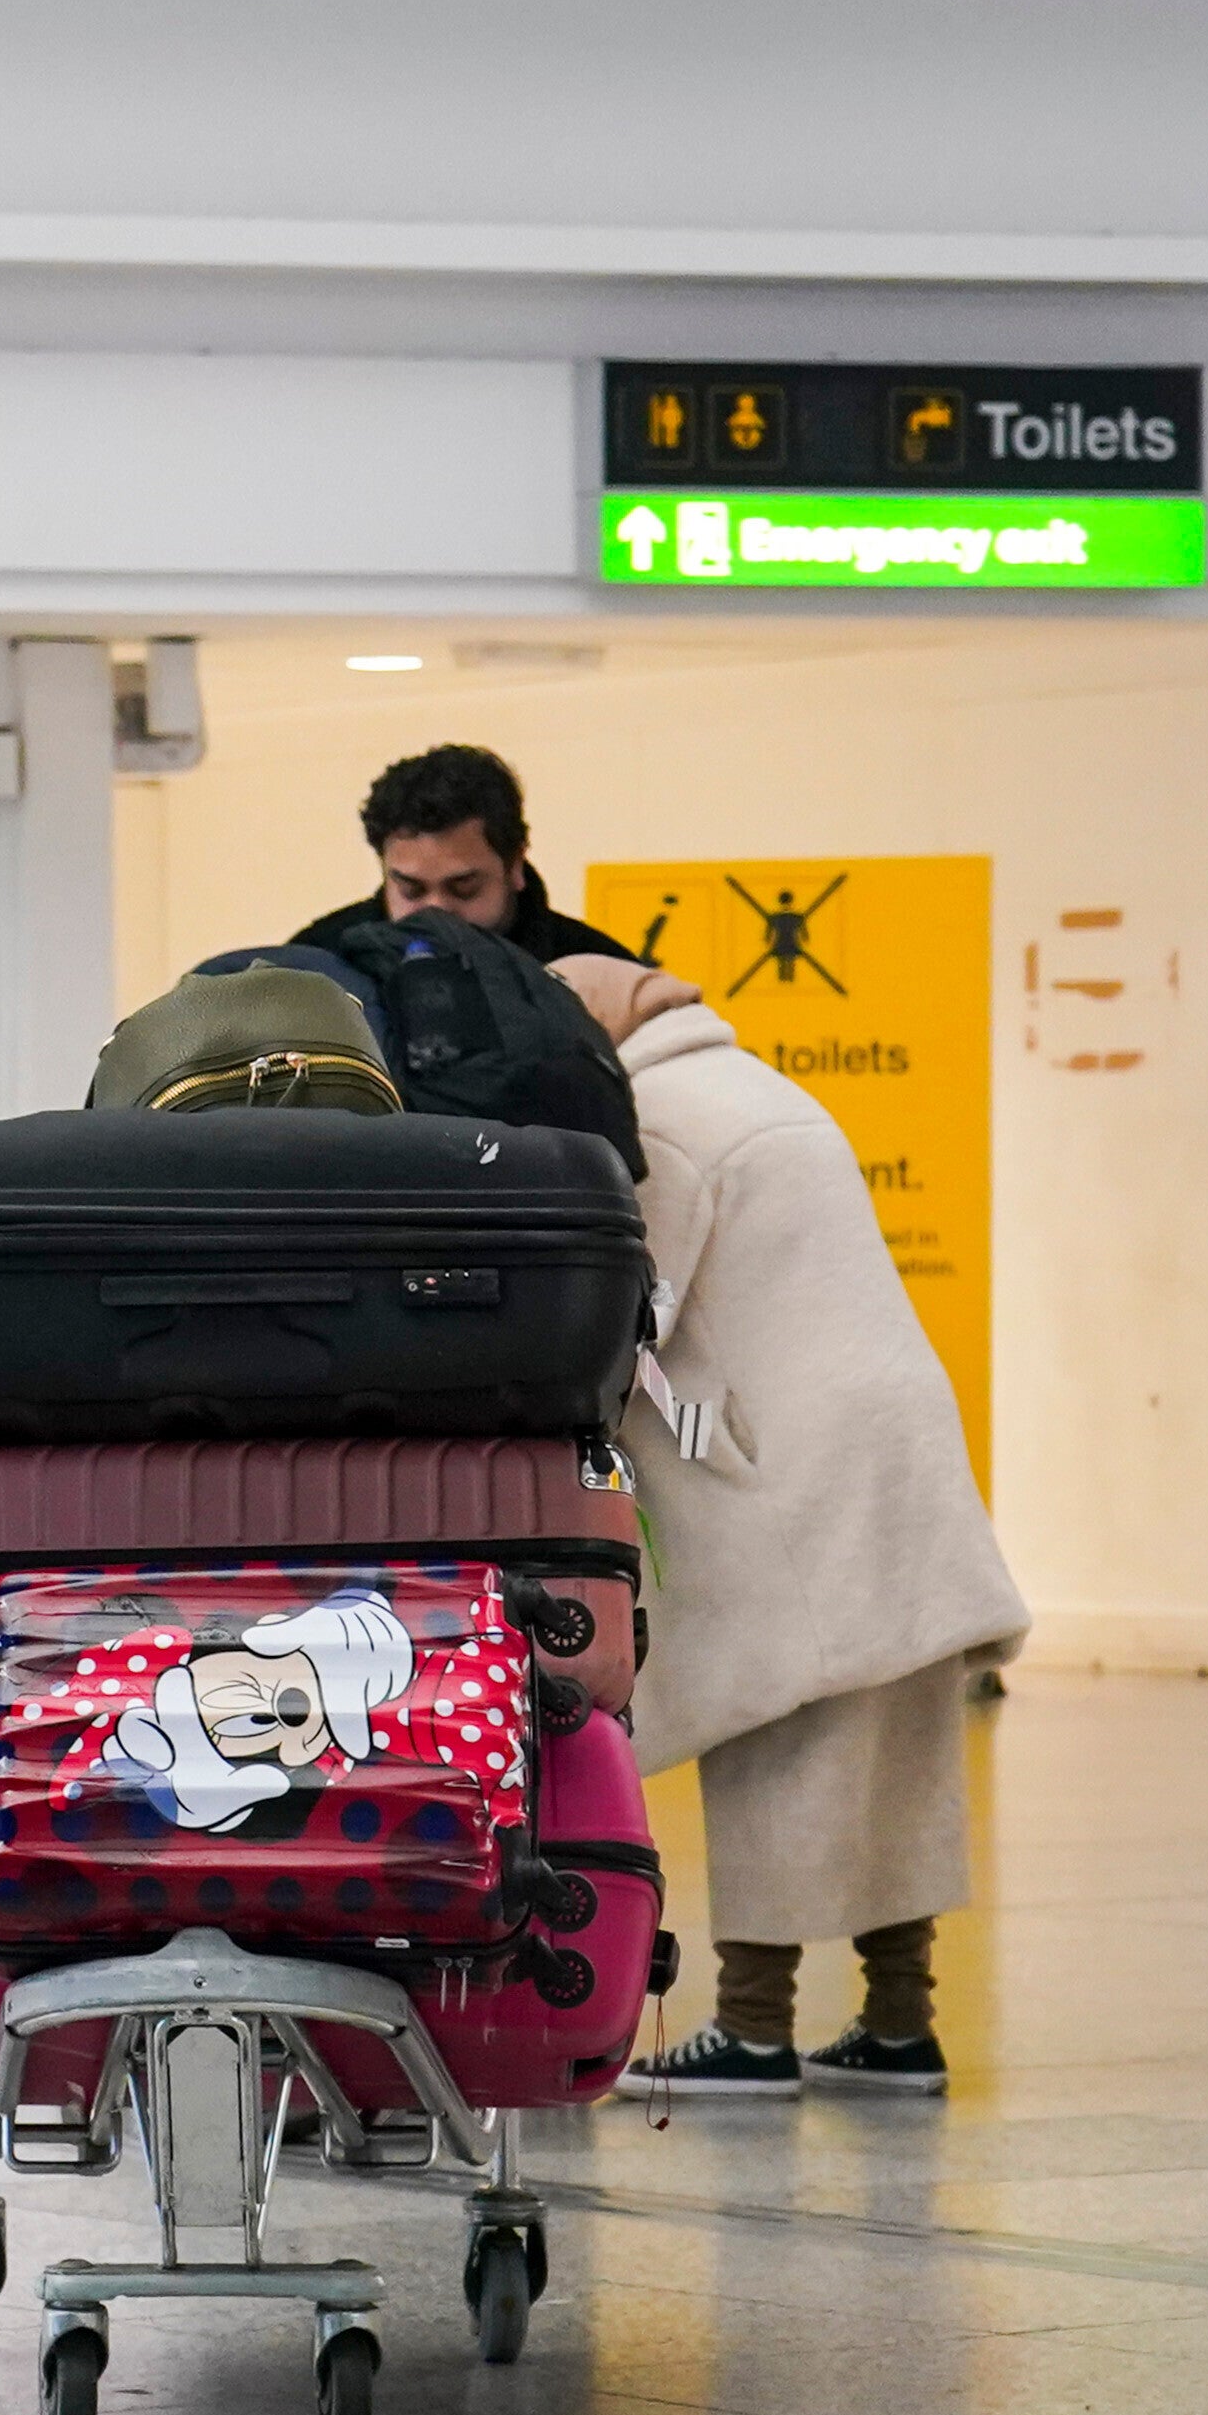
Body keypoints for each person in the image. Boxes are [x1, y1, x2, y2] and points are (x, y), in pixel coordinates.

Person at [551, 952, 1027, 2097]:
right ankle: (900, 2025)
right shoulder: (760, 1087)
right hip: (894, 1445)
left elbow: (634, 1311)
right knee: (898, 1747)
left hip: (790, 1467)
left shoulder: (662, 1121)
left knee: (775, 1732)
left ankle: (753, 2029)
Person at [302, 743, 638, 962]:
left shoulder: (600, 974)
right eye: (411, 889)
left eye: (464, 887)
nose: (436, 911)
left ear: (515, 864)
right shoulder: (317, 965)